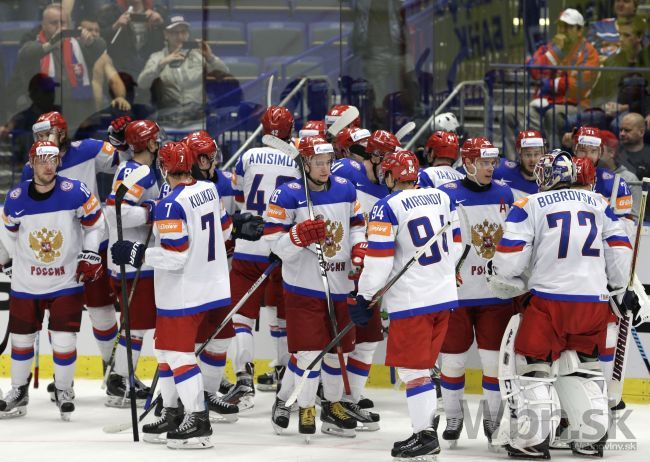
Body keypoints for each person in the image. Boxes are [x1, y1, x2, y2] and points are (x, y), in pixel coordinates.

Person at [487, 150, 633, 457]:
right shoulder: (601, 204)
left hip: (549, 302)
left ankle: (533, 441)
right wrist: (617, 286)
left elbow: (509, 260)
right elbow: (620, 252)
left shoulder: (529, 204)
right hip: (593, 302)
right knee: (585, 367)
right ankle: (591, 437)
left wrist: (502, 274)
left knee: (534, 368)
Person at [110, 141, 231, 449]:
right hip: (212, 285)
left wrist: (138, 252)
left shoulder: (171, 204)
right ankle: (172, 412)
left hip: (183, 291)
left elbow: (175, 256)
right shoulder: (209, 190)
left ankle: (198, 421)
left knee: (177, 354)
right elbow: (226, 230)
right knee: (164, 351)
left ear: (163, 169)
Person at [350, 150, 459, 459]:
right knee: (422, 369)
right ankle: (424, 431)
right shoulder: (441, 198)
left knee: (414, 372)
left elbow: (379, 261)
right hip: (444, 297)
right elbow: (458, 243)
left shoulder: (386, 207)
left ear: (390, 176)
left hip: (414, 301)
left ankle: (425, 436)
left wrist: (364, 295)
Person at [264, 135, 366, 441]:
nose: (325, 168)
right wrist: (297, 236)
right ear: (305, 163)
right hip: (303, 285)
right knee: (309, 353)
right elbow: (274, 245)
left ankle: (330, 405)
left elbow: (358, 223)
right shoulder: (286, 194)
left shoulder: (346, 188)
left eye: (328, 162)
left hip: (340, 282)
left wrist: (360, 247)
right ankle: (304, 405)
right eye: (318, 162)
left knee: (337, 353)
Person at [24, 111, 127, 401]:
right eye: (39, 136)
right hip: (56, 253)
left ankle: (114, 374)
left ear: (62, 132)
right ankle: (61, 378)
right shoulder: (31, 166)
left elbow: (123, 161)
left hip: (94, 246)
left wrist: (119, 141)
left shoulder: (89, 149)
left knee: (102, 311)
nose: (42, 141)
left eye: (47, 134)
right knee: (58, 318)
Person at [0, 140, 105, 420]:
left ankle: (63, 389)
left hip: (66, 281)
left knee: (63, 340)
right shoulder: (15, 197)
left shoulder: (75, 191)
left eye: (53, 159)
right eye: (42, 160)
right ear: (32, 163)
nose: (49, 165)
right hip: (25, 283)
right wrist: (8, 261)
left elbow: (96, 223)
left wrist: (91, 254)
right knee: (21, 340)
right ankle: (18, 391)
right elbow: (7, 234)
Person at [436, 137, 515, 448]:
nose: (489, 168)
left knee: (493, 362)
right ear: (467, 163)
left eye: (492, 162)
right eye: (483, 162)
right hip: (456, 293)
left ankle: (493, 421)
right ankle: (453, 417)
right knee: (453, 361)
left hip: (495, 295)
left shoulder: (505, 192)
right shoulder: (446, 195)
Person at [331, 129, 399, 421]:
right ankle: (328, 398)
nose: (389, 163)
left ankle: (351, 397)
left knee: (369, 339)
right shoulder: (345, 171)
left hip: (370, 275)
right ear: (373, 155)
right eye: (385, 157)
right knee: (338, 340)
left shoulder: (392, 189)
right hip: (340, 271)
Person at [104, 119, 161, 407]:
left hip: (134, 259)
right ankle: (120, 380)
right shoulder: (139, 173)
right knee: (136, 326)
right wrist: (149, 212)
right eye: (156, 139)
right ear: (149, 143)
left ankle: (121, 377)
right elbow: (116, 212)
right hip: (132, 261)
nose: (159, 142)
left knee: (134, 323)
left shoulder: (137, 169)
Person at [504, 9, 599, 153]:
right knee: (509, 114)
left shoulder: (588, 51)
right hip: (546, 102)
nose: (563, 30)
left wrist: (551, 83)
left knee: (551, 114)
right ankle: (516, 165)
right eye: (561, 26)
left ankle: (552, 162)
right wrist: (556, 51)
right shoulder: (551, 47)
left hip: (574, 104)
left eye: (568, 26)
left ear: (580, 30)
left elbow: (578, 86)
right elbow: (535, 72)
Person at [7, 3, 106, 128]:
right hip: (45, 113)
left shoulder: (79, 45)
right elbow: (26, 53)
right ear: (43, 25)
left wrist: (91, 40)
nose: (59, 27)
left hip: (78, 110)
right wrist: (50, 44)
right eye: (54, 23)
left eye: (63, 23)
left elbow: (101, 45)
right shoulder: (34, 46)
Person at [137, 16, 229, 120]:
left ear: (188, 34)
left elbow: (224, 75)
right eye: (174, 33)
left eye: (183, 32)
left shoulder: (199, 55)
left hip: (198, 113)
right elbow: (142, 83)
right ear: (166, 34)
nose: (180, 36)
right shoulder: (157, 57)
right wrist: (161, 65)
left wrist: (210, 58)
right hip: (169, 114)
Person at [98, 0, 166, 84]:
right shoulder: (111, 12)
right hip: (121, 69)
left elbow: (173, 40)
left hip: (151, 67)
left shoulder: (159, 11)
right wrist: (115, 26)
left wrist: (161, 23)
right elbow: (99, 40)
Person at [0, 74, 60, 164]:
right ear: (33, 95)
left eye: (52, 91)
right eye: (46, 92)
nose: (51, 95)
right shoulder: (20, 121)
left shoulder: (64, 113)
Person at [600, 129, 641, 218]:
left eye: (597, 149)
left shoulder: (629, 179)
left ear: (611, 152)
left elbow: (635, 217)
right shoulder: (587, 176)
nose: (591, 154)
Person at [493, 130, 545, 199]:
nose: (532, 159)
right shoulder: (500, 170)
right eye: (528, 154)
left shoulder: (550, 181)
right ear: (520, 154)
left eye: (536, 154)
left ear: (542, 154)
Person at [618, 112, 650, 180]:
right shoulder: (613, 153)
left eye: (627, 130)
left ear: (641, 132)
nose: (622, 133)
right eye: (620, 130)